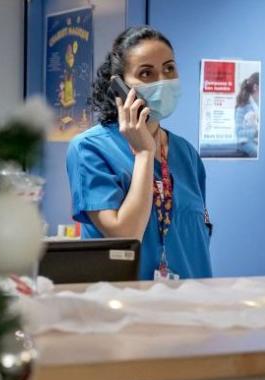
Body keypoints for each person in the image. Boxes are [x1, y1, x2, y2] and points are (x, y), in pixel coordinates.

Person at [66, 26, 212, 280]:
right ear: (119, 85)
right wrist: (145, 153)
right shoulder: (90, 148)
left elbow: (197, 240)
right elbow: (125, 235)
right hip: (124, 307)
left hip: (192, 304)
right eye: (146, 73)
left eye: (169, 68)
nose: (162, 80)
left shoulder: (186, 153)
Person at [234, 72, 260, 157]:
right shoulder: (243, 106)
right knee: (258, 152)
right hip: (244, 142)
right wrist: (255, 132)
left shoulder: (259, 104)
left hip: (256, 141)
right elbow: (238, 132)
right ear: (256, 87)